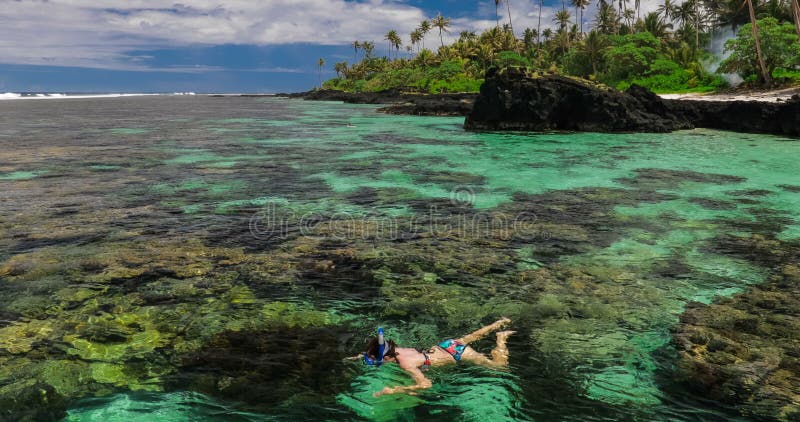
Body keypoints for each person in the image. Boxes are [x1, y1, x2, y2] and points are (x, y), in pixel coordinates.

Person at [359, 317, 514, 397]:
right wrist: (359, 356)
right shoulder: (396, 349)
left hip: (458, 354)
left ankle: (501, 339)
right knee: (472, 336)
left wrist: (395, 390)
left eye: (376, 359)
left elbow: (426, 384)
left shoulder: (405, 364)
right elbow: (377, 349)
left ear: (386, 358)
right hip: (446, 345)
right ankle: (499, 323)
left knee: (499, 368)